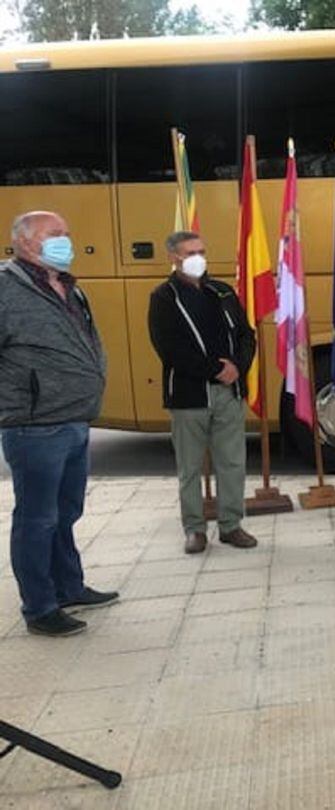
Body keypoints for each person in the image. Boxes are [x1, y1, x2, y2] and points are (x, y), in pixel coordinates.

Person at [0, 211, 118, 637]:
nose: (65, 242)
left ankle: (68, 586)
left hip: (75, 418)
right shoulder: (6, 287)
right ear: (25, 242)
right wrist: (18, 398)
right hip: (34, 426)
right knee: (37, 518)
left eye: (66, 234)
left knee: (66, 512)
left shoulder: (68, 285)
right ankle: (39, 607)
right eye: (55, 235)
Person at [148, 231, 259, 554]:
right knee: (190, 467)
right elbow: (169, 348)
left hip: (229, 392)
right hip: (189, 396)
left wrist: (237, 366)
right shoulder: (164, 297)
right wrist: (214, 369)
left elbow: (246, 334)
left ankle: (231, 525)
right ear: (174, 257)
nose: (198, 257)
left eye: (202, 250)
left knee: (232, 462)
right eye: (190, 252)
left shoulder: (221, 291)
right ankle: (195, 529)